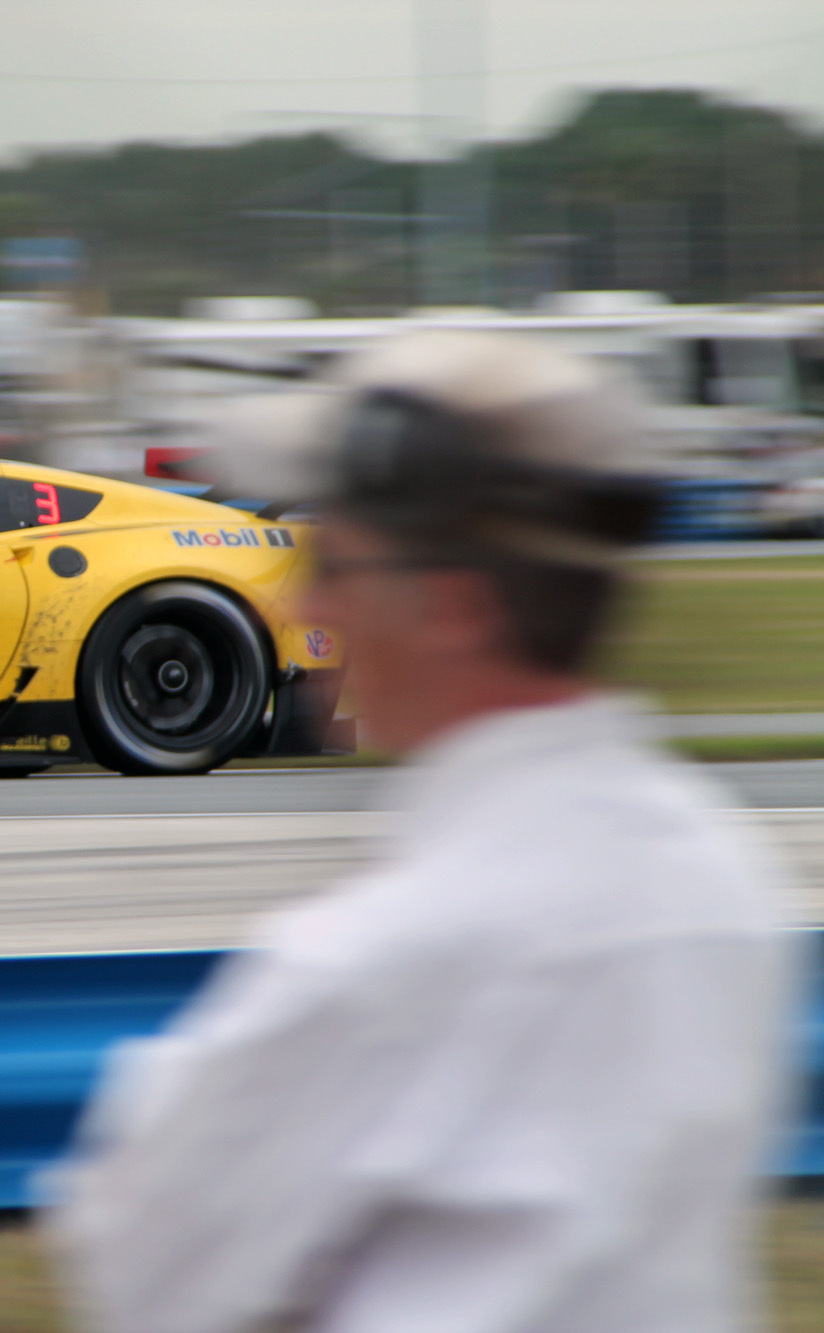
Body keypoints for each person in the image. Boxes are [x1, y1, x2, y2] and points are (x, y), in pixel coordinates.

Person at [43, 331, 796, 1333]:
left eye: (335, 565)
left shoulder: (374, 961)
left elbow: (145, 1274)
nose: (309, 606)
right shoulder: (724, 880)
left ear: (451, 608)